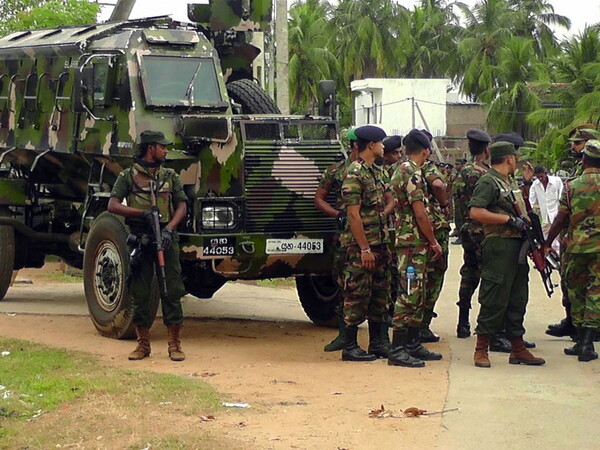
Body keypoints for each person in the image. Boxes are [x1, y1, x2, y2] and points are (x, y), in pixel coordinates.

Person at [108, 130, 188, 361]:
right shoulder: (128, 175)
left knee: (171, 289)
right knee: (140, 293)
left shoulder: (170, 175)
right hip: (141, 238)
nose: (165, 150)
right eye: (162, 147)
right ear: (150, 148)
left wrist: (169, 230)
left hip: (165, 237)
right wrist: (141, 214)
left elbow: (182, 206)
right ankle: (143, 345)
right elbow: (112, 205)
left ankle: (175, 345)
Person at [469, 141, 545, 368]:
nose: (517, 160)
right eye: (515, 157)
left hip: (518, 247)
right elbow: (475, 211)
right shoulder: (488, 181)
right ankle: (481, 349)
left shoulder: (508, 182)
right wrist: (508, 220)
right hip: (499, 245)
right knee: (494, 296)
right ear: (510, 158)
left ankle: (517, 348)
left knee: (517, 297)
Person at [387, 129, 443, 368]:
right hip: (412, 243)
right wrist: (433, 241)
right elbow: (420, 212)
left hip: (413, 242)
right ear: (426, 150)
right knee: (409, 293)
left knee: (417, 293)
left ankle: (411, 344)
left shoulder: (405, 169)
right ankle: (397, 348)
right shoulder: (410, 171)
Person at [339, 125, 394, 361]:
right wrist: (364, 248)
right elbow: (353, 215)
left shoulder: (377, 172)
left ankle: (378, 343)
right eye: (381, 143)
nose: (384, 147)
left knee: (380, 295)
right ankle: (350, 346)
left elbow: (388, 200)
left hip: (380, 244)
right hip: (361, 247)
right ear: (371, 145)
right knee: (357, 295)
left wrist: (382, 217)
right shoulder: (355, 173)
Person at [543, 140, 600, 362]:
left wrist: (548, 242)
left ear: (584, 160)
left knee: (576, 293)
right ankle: (587, 343)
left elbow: (560, 219)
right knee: (596, 293)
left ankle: (580, 342)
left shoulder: (571, 186)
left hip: (577, 248)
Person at [314, 128, 359, 352]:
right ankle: (345, 336)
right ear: (355, 146)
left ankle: (380, 339)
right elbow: (319, 199)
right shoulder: (336, 171)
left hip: (373, 235)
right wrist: (337, 214)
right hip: (345, 236)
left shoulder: (377, 170)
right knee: (345, 285)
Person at [455, 129, 491, 339]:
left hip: (466, 229)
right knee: (487, 275)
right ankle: (485, 324)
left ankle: (462, 321)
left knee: (468, 273)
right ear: (486, 149)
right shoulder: (482, 174)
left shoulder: (462, 171)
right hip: (482, 230)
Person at [421, 155, 451, 343]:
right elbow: (439, 185)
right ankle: (422, 326)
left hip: (414, 230)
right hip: (434, 227)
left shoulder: (401, 168)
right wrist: (444, 204)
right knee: (434, 276)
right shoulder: (427, 167)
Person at [528, 166, 563, 251]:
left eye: (542, 176)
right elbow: (531, 200)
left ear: (545, 174)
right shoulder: (535, 185)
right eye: (538, 177)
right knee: (546, 238)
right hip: (544, 216)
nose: (540, 179)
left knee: (558, 236)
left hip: (556, 213)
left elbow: (561, 196)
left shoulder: (556, 181)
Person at [450, 158, 467, 244]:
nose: (456, 166)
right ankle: (457, 231)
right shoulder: (457, 174)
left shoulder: (464, 174)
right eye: (455, 164)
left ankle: (461, 236)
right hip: (456, 198)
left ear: (462, 164)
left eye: (458, 164)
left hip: (462, 199)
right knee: (457, 216)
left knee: (460, 218)